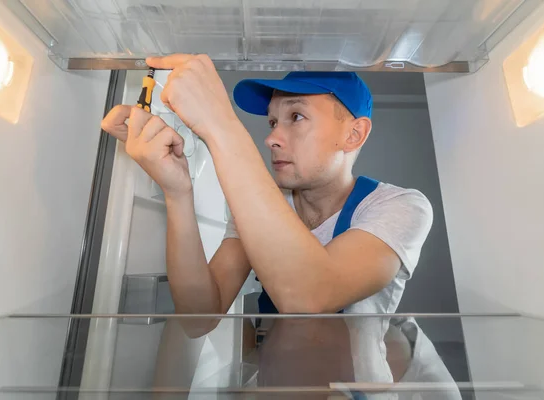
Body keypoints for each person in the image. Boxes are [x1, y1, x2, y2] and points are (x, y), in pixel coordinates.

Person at [101, 53, 433, 320]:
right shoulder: (261, 205)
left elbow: (311, 296)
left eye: (297, 117)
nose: (271, 138)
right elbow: (199, 316)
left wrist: (220, 124)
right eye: (273, 121)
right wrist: (177, 192)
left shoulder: (399, 207)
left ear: (354, 134)